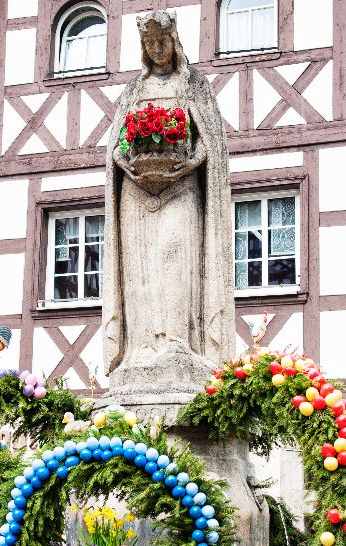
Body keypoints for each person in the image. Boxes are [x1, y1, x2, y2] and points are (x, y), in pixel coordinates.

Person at [102, 9, 234, 393]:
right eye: (149, 43)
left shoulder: (195, 86)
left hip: (181, 188)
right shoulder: (133, 92)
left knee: (174, 261)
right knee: (140, 268)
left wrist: (189, 163)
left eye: (162, 41)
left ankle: (179, 343)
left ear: (174, 41)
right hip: (136, 192)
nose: (157, 49)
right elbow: (115, 148)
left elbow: (210, 144)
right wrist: (129, 164)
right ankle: (140, 348)